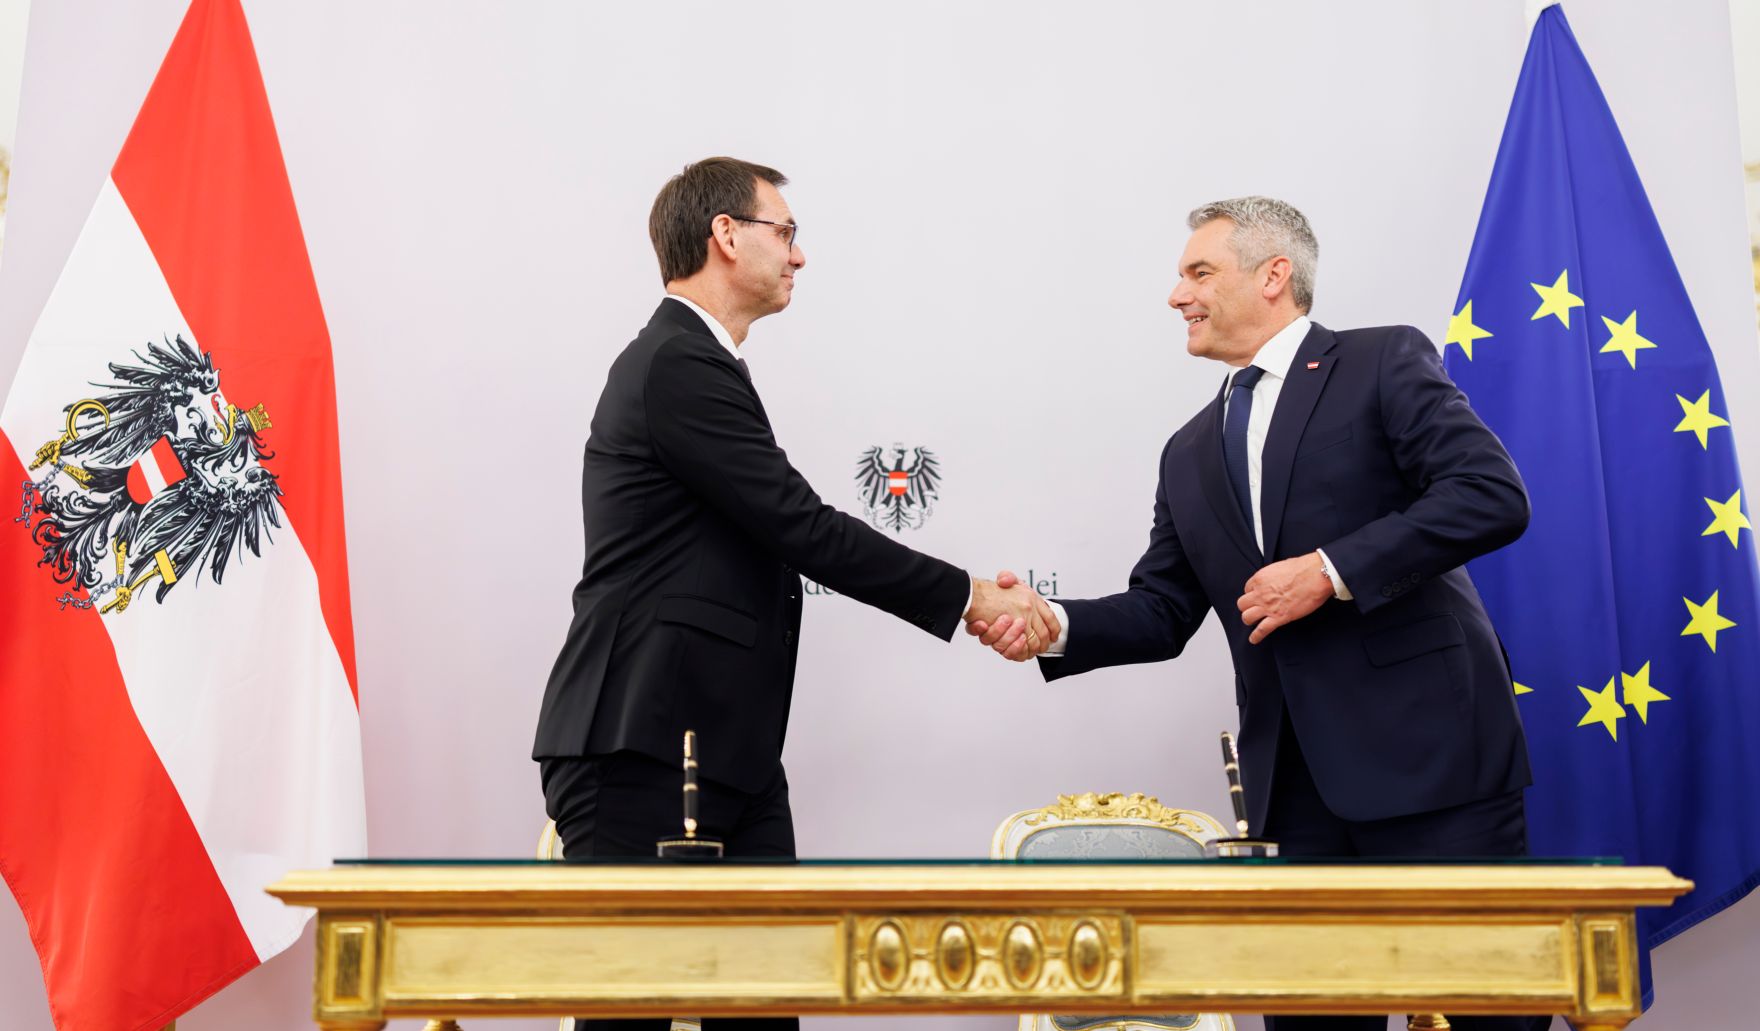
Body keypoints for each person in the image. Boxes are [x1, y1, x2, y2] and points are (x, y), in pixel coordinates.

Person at [971, 196, 1543, 1031]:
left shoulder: (1381, 362)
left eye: (1198, 272)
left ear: (1275, 275)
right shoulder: (1188, 449)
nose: (1177, 295)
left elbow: (1491, 495)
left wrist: (1330, 570)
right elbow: (1163, 609)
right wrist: (1052, 623)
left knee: (1487, 1013)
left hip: (1436, 771)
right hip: (1295, 797)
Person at [534, 156, 1055, 1031]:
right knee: (629, 1016)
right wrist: (969, 594)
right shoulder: (675, 363)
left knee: (768, 1005)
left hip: (721, 752)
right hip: (644, 748)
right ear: (726, 236)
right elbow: (800, 526)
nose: (799, 256)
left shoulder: (703, 363)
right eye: (786, 231)